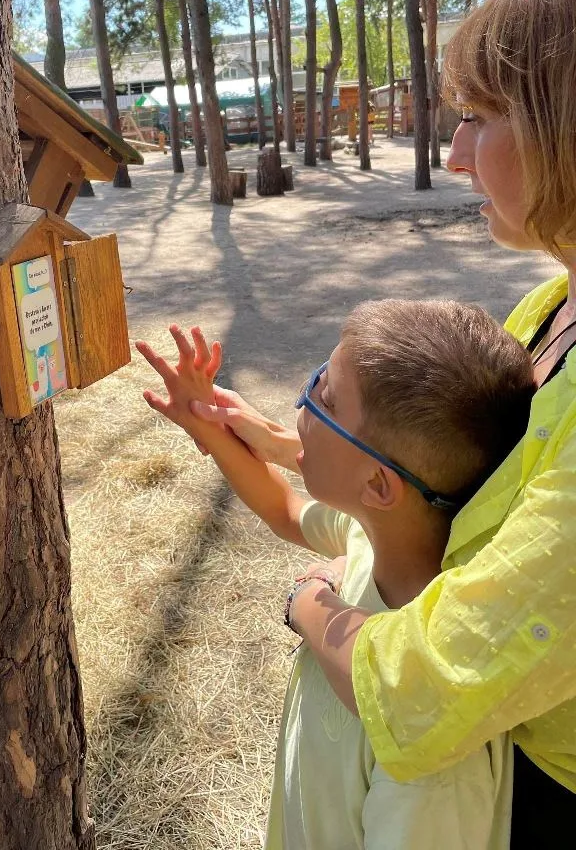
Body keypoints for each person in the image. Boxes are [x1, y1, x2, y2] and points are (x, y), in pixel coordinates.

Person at [186, 0, 576, 843]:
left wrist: (307, 605)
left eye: (480, 116)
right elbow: (441, 464)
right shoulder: (549, 309)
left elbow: (424, 685)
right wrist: (268, 438)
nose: (453, 154)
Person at [136, 298, 536, 849]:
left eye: (325, 397)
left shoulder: (434, 753)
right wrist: (211, 426)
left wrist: (308, 596)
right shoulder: (372, 539)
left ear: (377, 486)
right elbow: (289, 513)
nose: (301, 406)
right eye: (319, 376)